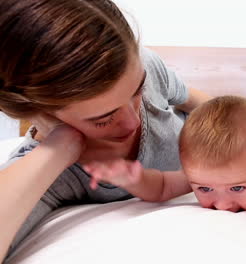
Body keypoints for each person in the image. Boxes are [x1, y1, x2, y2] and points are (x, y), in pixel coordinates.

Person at [0, 0, 211, 261]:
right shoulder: (57, 176)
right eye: (102, 119)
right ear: (40, 112)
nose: (133, 122)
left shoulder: (145, 64)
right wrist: (60, 148)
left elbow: (198, 103)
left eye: (137, 91)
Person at [84, 95, 246, 246]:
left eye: (237, 188)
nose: (221, 204)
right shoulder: (209, 173)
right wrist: (135, 179)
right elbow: (162, 186)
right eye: (204, 189)